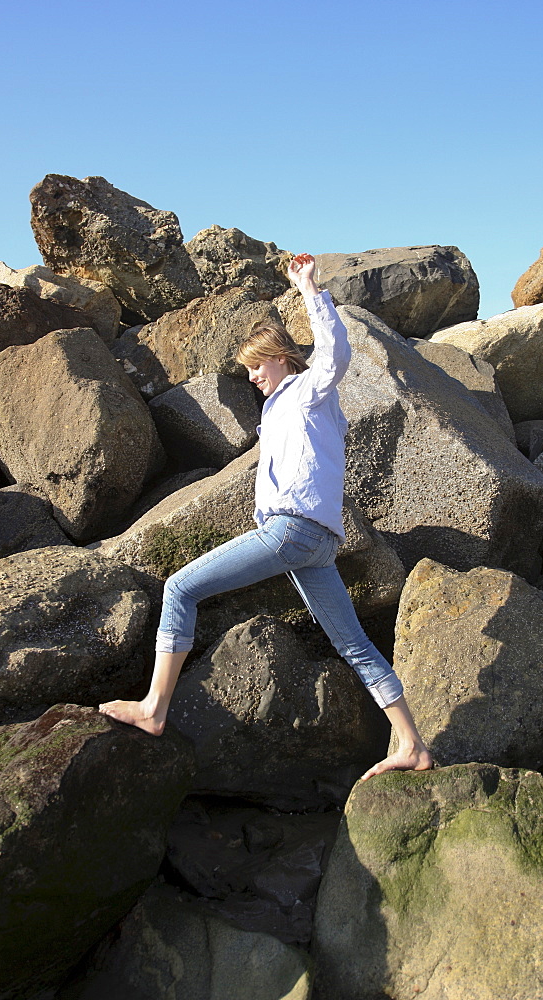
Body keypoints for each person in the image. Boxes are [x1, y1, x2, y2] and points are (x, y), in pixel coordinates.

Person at [100, 253, 433, 780]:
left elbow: (335, 352)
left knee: (180, 588)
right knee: (352, 643)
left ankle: (154, 709)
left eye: (257, 365)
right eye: (248, 369)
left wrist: (307, 288)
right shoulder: (278, 408)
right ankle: (411, 744)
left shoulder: (308, 391)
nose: (252, 376)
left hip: (294, 530)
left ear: (281, 357)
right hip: (316, 542)